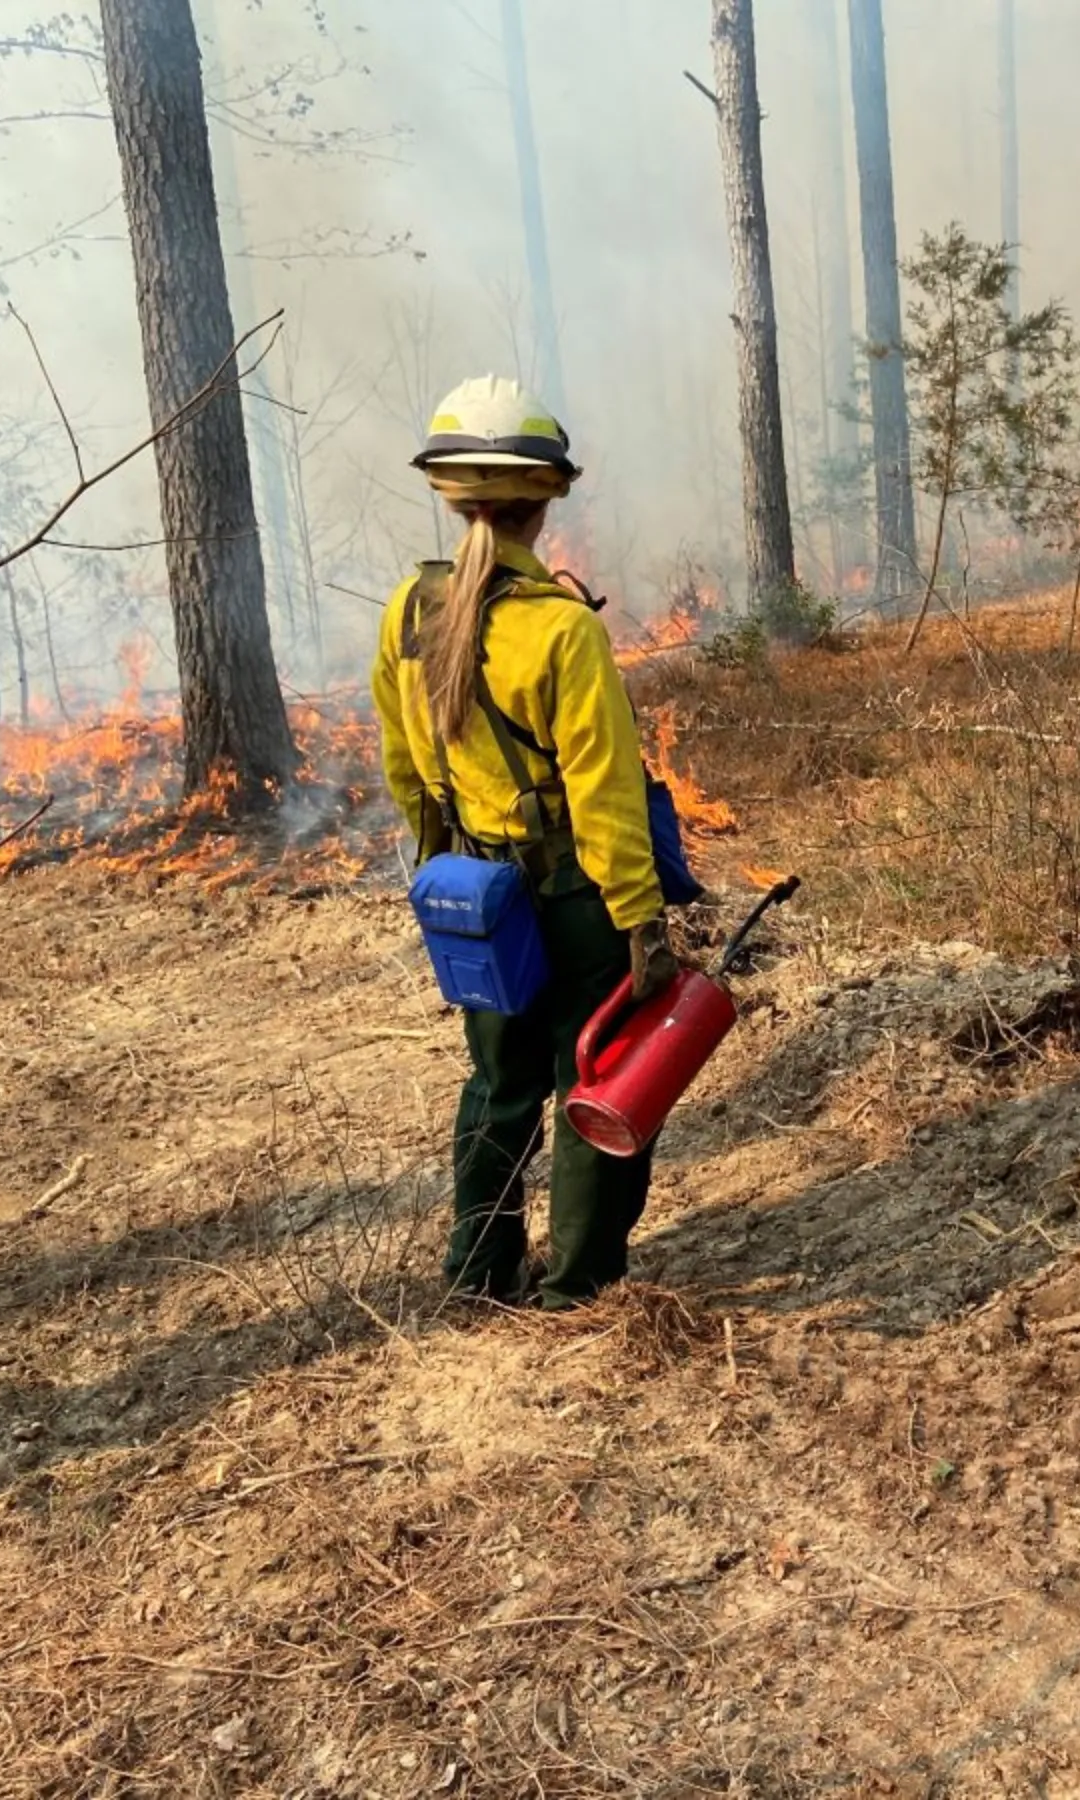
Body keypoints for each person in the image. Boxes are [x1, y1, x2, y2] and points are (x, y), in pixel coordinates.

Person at [371, 375, 675, 1311]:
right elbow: (606, 797)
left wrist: (443, 873)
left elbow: (403, 767)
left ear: (451, 494)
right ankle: (577, 1284)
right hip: (576, 900)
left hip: (477, 898)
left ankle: (478, 1270)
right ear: (543, 505)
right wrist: (644, 924)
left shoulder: (407, 613)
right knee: (597, 1079)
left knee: (498, 1084)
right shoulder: (562, 633)